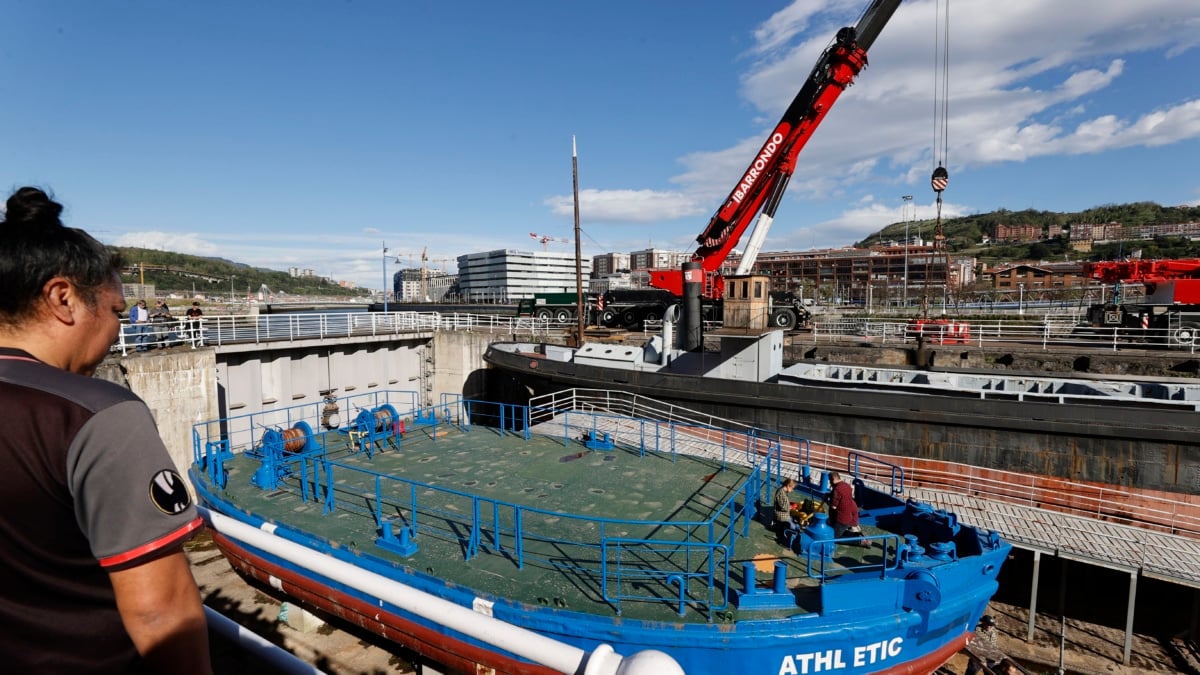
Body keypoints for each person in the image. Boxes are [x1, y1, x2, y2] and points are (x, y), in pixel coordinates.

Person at [0, 187, 212, 673]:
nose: (119, 328)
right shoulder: (98, 415)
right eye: (116, 311)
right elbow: (161, 611)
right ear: (63, 298)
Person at [828, 471, 868, 546]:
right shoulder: (847, 486)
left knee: (835, 537)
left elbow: (834, 506)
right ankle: (858, 535)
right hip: (848, 517)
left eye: (830, 480)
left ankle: (859, 541)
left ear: (833, 479)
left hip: (841, 519)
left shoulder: (837, 490)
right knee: (839, 531)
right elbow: (842, 497)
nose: (830, 482)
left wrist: (826, 501)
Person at [772, 477, 797, 541]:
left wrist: (790, 504)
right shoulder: (781, 493)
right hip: (781, 515)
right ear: (788, 486)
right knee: (793, 527)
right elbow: (783, 507)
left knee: (794, 520)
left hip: (784, 513)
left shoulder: (783, 491)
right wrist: (791, 507)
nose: (792, 490)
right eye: (792, 488)